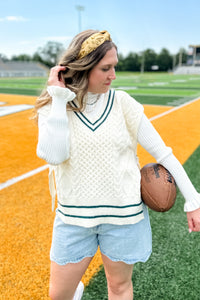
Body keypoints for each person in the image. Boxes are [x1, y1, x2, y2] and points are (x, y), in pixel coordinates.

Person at [35, 29, 200, 300]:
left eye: (115, 67)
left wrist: (193, 200)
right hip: (75, 219)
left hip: (124, 218)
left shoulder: (123, 103)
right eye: (105, 68)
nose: (113, 75)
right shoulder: (55, 105)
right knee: (59, 295)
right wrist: (59, 100)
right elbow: (54, 155)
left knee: (119, 288)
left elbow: (163, 153)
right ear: (83, 67)